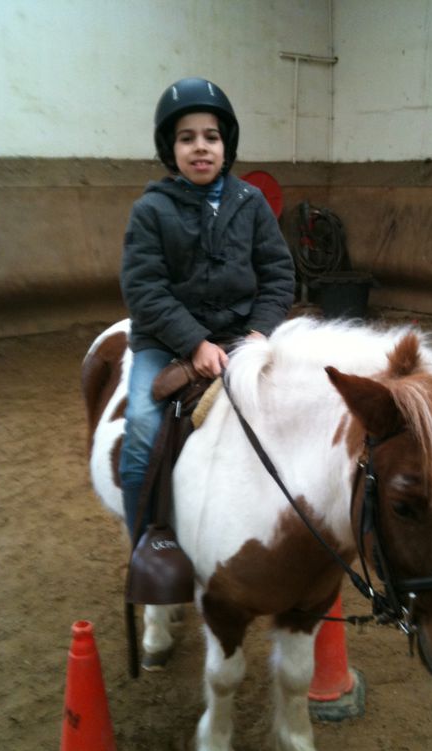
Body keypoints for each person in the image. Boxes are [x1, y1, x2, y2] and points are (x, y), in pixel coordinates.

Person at [119, 77, 295, 538]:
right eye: (187, 138)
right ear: (170, 148)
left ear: (225, 144)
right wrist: (193, 342)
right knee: (140, 430)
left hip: (241, 335)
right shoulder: (151, 210)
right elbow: (144, 289)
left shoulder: (250, 203)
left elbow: (278, 275)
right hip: (164, 343)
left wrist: (259, 333)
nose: (201, 148)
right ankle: (144, 544)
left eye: (211, 137)